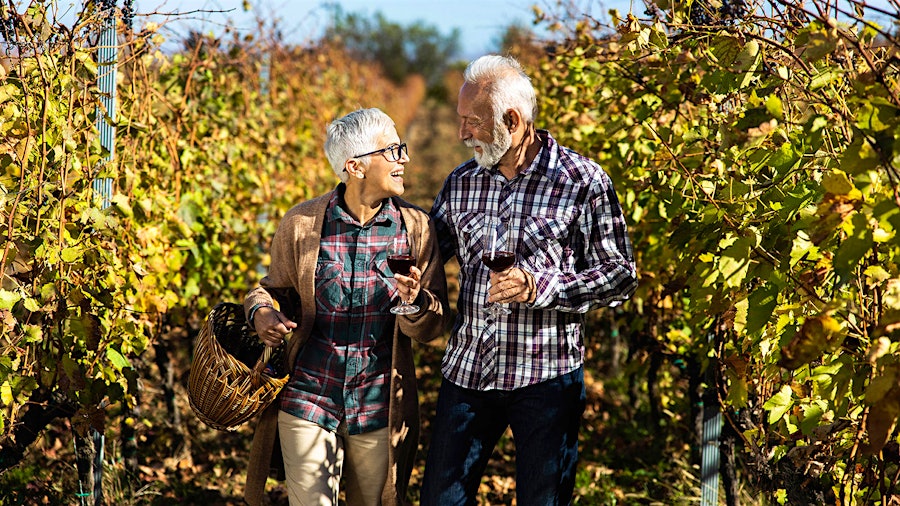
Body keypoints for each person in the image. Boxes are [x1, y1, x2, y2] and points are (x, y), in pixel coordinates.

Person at [422, 54, 639, 505]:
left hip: (546, 377)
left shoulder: (583, 182)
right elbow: (428, 253)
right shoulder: (461, 183)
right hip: (468, 371)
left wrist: (542, 287)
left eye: (472, 122)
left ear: (513, 121)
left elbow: (620, 275)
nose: (462, 134)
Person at [243, 107, 450, 506]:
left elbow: (431, 327)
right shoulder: (302, 223)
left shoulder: (416, 229)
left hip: (377, 403)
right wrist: (261, 313)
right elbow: (269, 291)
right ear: (355, 166)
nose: (403, 158)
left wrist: (415, 303)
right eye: (392, 150)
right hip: (308, 394)